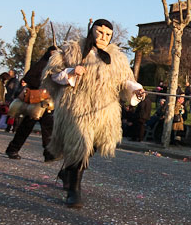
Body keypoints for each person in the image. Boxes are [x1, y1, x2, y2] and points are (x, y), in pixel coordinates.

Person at [42, 19, 146, 209]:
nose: (103, 37)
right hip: (76, 106)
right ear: (92, 31)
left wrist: (136, 89)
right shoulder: (72, 50)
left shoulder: (117, 58)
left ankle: (67, 173)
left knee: (95, 144)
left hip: (104, 110)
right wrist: (72, 72)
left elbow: (125, 81)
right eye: (99, 32)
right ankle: (74, 191)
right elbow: (53, 75)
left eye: (107, 34)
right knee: (80, 144)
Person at [5, 47, 59, 161]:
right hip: (35, 101)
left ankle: (48, 153)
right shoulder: (42, 63)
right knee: (27, 126)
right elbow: (29, 78)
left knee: (48, 127)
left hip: (47, 102)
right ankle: (13, 149)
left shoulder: (54, 66)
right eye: (52, 52)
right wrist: (43, 85)